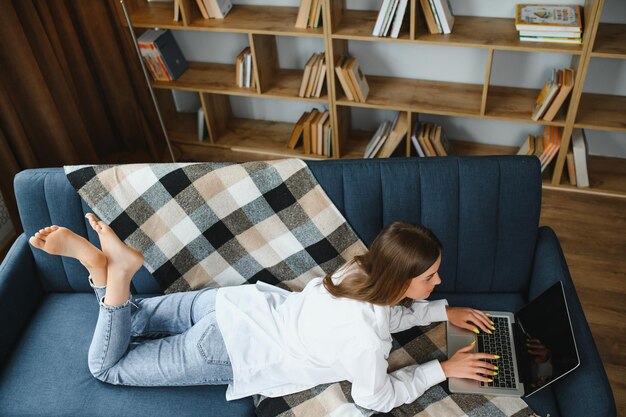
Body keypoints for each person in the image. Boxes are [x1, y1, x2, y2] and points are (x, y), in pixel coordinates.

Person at [29, 216, 498, 413]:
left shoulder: (360, 270)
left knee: (127, 316)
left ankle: (101, 268)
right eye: (430, 278)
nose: (437, 283)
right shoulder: (366, 341)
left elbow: (384, 311)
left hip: (230, 304)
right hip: (227, 350)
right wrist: (442, 368)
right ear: (398, 283)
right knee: (106, 368)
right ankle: (112, 273)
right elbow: (375, 398)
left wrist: (438, 310)